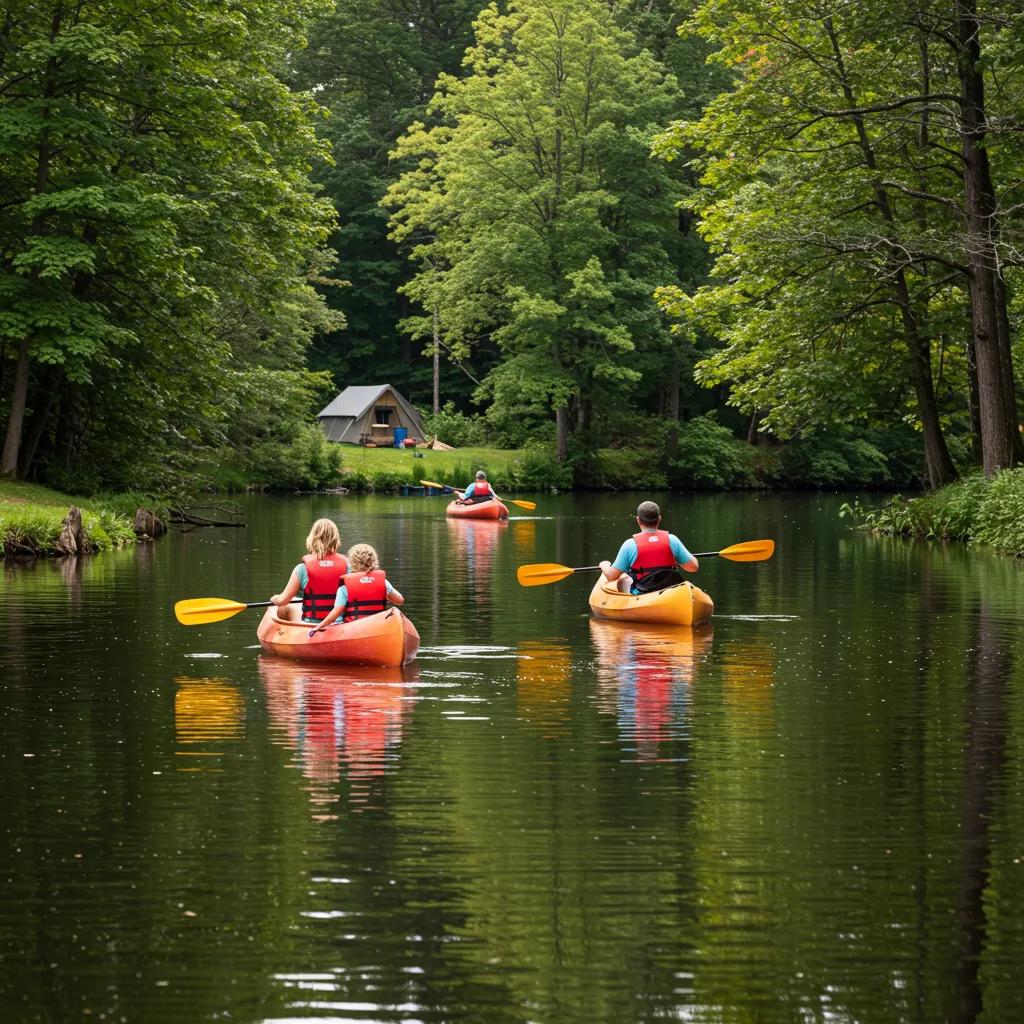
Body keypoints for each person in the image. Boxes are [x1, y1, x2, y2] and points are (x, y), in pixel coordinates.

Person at [599, 500, 699, 595]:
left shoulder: (630, 545)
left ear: (638, 520)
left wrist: (604, 565)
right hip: (670, 589)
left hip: (644, 592)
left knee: (623, 580)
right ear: (659, 518)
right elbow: (693, 567)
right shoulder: (672, 540)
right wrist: (678, 559)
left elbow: (612, 576)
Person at [270, 518, 348, 624]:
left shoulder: (302, 569)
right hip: (341, 624)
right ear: (335, 539)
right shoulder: (347, 565)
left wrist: (274, 599)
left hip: (311, 623)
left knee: (281, 607)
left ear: (312, 538)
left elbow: (283, 600)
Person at [313, 543, 404, 631]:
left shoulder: (344, 588)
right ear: (374, 561)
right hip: (377, 626)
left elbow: (335, 613)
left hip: (354, 629)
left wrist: (318, 627)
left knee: (339, 620)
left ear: (352, 563)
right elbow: (400, 601)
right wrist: (383, 593)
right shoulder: (383, 582)